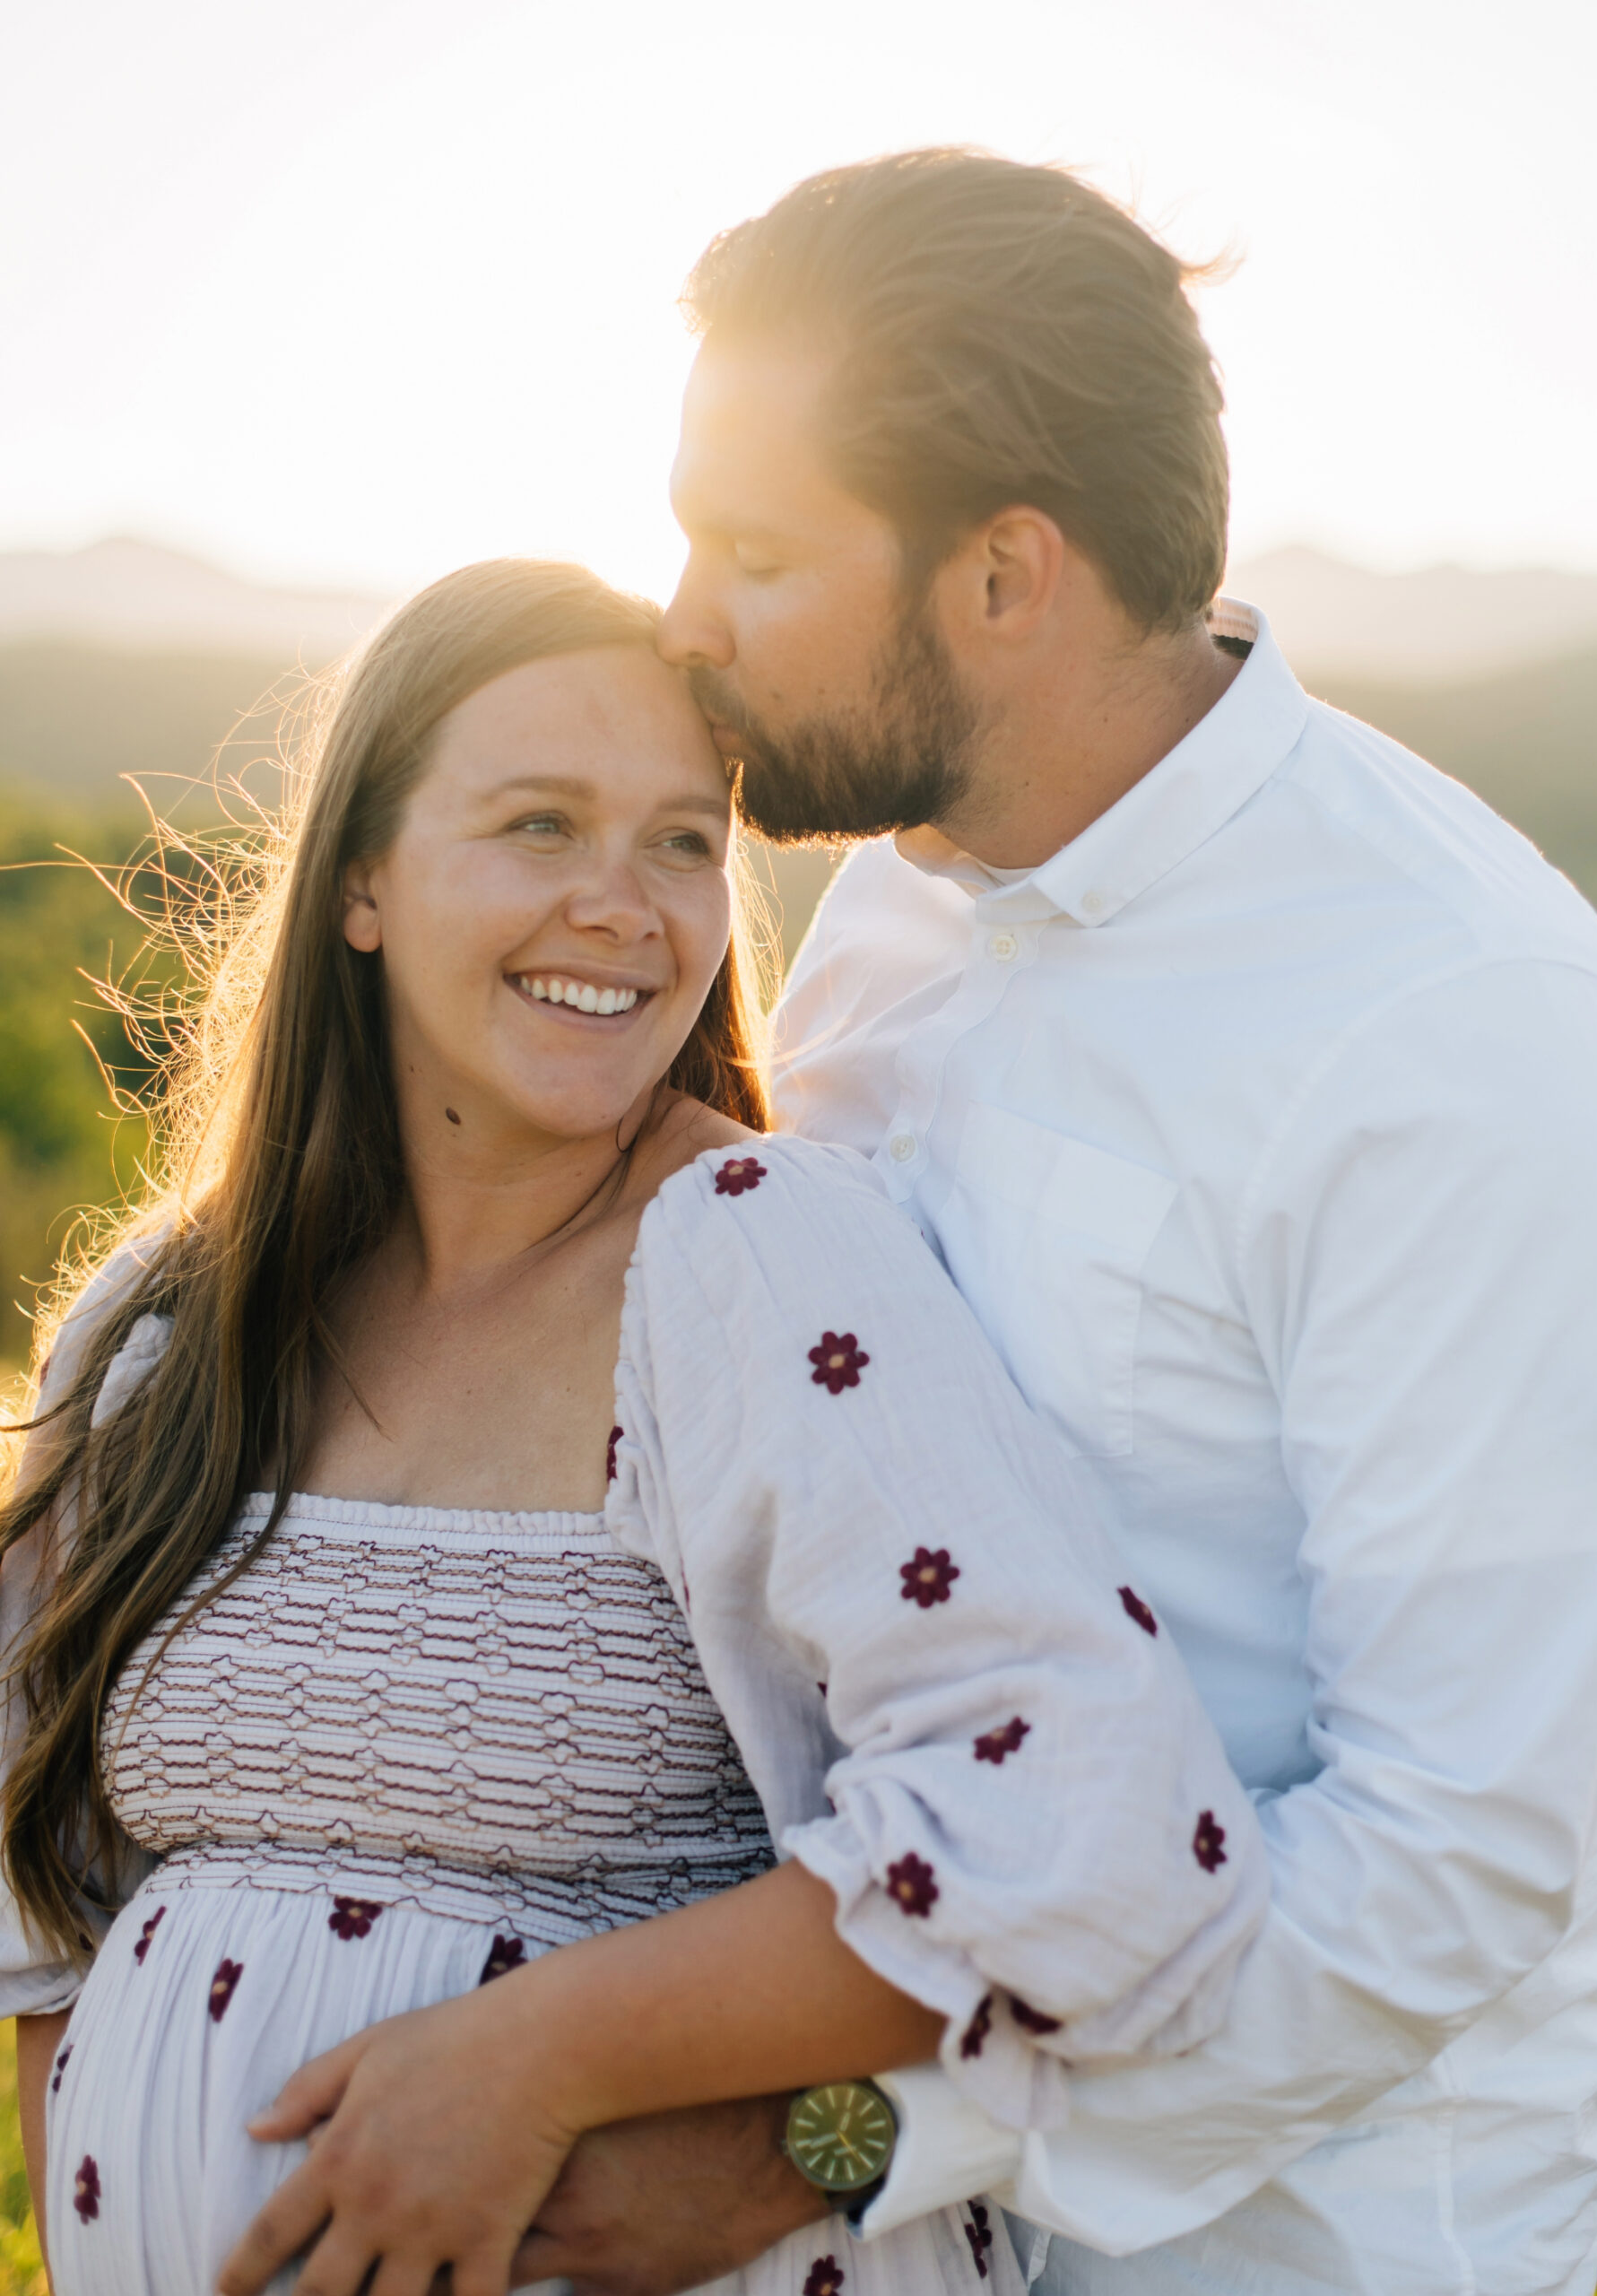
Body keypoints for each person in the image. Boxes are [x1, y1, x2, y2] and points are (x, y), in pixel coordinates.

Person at [497, 149, 1597, 2294]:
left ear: (1004, 575)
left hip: (1288, 2240)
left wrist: (837, 2144)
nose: (682, 618)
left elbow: (1447, 1859)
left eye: (750, 549)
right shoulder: (888, 912)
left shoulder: (1468, 1026)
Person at [0, 557, 1266, 2296]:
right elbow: (46, 1893)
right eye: (539, 822)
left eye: (684, 839)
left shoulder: (750, 1247)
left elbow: (1098, 1818)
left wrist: (528, 2057)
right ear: (360, 878)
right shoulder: (165, 1318)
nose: (626, 903)